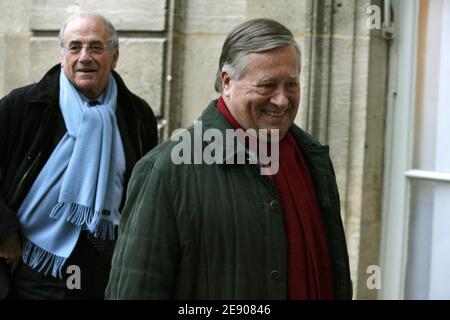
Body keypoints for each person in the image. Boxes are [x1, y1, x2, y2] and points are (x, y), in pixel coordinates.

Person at [106, 18, 352, 300]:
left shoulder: (313, 160)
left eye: (291, 84)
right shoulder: (166, 170)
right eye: (267, 85)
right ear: (226, 82)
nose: (282, 100)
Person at [0, 12, 158, 299]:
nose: (84, 56)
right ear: (63, 56)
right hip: (32, 262)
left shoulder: (137, 114)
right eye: (75, 47)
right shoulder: (22, 107)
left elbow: (145, 191)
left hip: (106, 264)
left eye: (96, 47)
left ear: (115, 57)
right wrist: (4, 232)